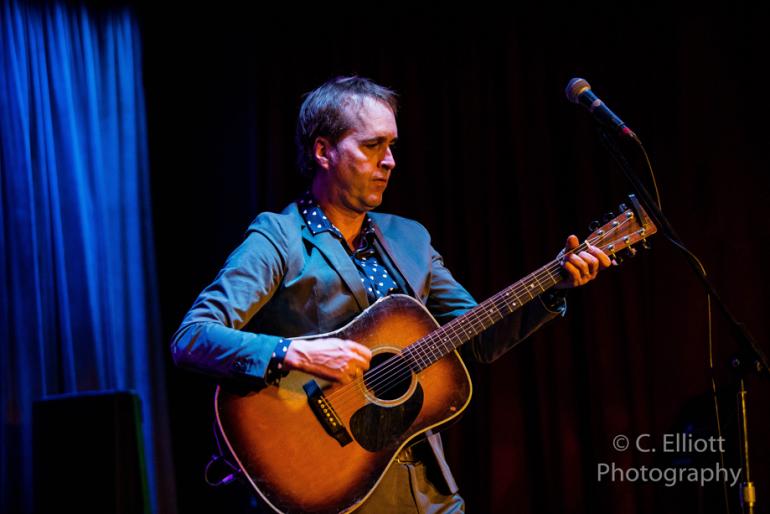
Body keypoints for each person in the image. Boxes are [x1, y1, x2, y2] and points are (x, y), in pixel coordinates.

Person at [170, 76, 611, 513]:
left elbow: (481, 336)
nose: (390, 161)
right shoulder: (279, 237)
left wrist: (554, 287)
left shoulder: (410, 239)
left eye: (392, 145)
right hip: (326, 479)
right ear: (323, 151)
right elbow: (192, 337)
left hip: (424, 485)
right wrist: (297, 353)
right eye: (372, 145)